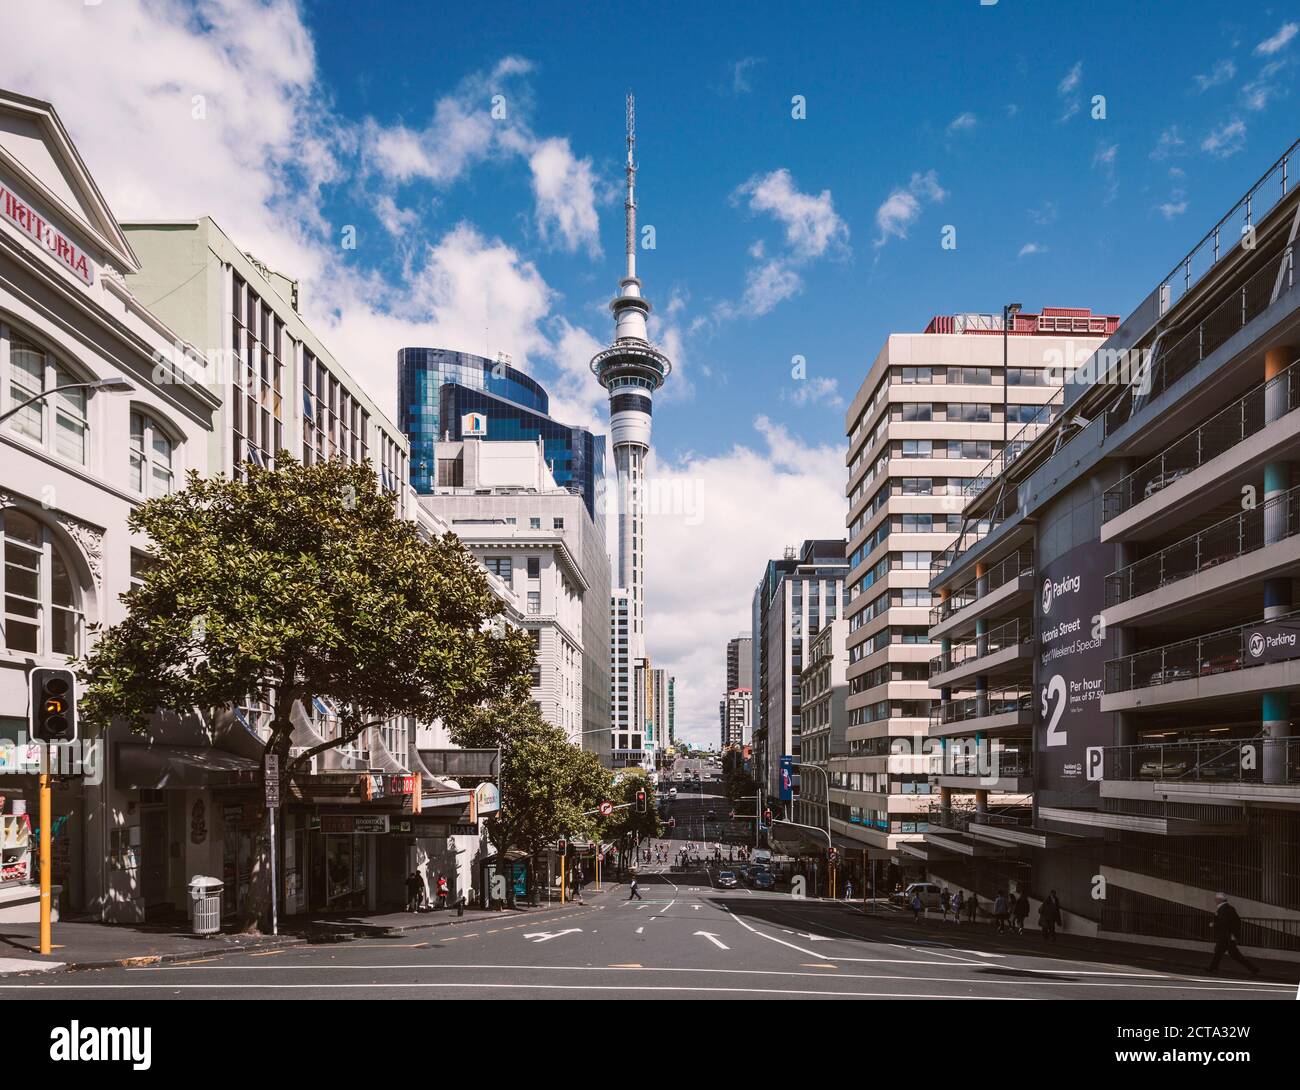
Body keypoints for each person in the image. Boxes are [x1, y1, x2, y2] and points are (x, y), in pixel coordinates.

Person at [1207, 892, 1260, 975]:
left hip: (1225, 936)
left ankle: (1212, 968)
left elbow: (1224, 922)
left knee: (1224, 953)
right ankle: (1253, 968)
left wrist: (1214, 924)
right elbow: (1236, 921)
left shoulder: (1223, 909)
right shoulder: (1229, 908)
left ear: (1220, 900)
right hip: (1228, 936)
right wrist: (1234, 933)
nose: (1215, 900)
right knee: (1228, 953)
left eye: (1216, 899)